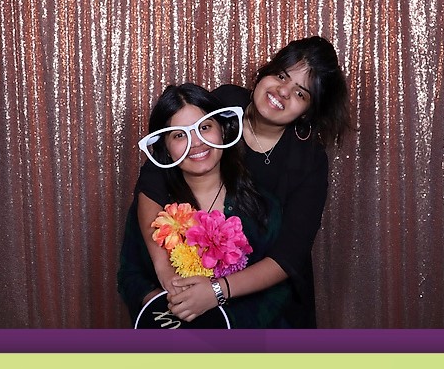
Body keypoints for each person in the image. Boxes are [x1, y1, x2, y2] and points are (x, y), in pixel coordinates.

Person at [133, 38, 349, 327]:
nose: (282, 92)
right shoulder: (224, 104)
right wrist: (165, 272)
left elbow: (290, 255)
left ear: (308, 111)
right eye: (281, 75)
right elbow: (154, 177)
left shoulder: (309, 158)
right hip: (192, 289)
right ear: (265, 72)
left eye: (300, 93)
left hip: (271, 308)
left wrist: (216, 291)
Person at [117, 83, 294, 327]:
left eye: (204, 127)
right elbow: (129, 275)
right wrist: (169, 304)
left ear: (223, 130)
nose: (196, 142)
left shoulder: (261, 206)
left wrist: (219, 316)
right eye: (179, 135)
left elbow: (279, 291)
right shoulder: (155, 209)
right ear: (166, 148)